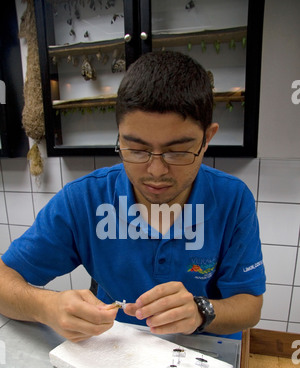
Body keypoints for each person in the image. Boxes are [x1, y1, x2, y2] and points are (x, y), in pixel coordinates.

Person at [0, 51, 265, 343]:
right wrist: (46, 306)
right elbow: (4, 278)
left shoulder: (232, 200)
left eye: (177, 151)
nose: (155, 171)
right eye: (136, 149)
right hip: (117, 357)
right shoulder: (85, 200)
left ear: (207, 139)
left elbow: (250, 306)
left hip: (205, 362)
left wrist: (202, 311)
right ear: (119, 136)